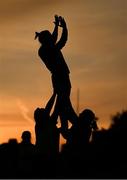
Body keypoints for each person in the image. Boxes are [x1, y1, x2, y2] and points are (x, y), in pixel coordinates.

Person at [35, 15, 78, 134]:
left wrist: (58, 27)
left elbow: (54, 39)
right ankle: (66, 122)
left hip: (59, 76)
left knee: (63, 102)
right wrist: (62, 28)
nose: (51, 38)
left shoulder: (46, 49)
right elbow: (59, 40)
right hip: (61, 77)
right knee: (63, 102)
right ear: (46, 39)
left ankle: (65, 124)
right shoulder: (47, 50)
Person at [34, 92, 60, 157]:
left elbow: (55, 108)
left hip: (48, 155)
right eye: (42, 110)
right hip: (44, 156)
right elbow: (51, 107)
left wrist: (55, 94)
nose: (44, 110)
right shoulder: (41, 125)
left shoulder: (48, 123)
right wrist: (55, 95)